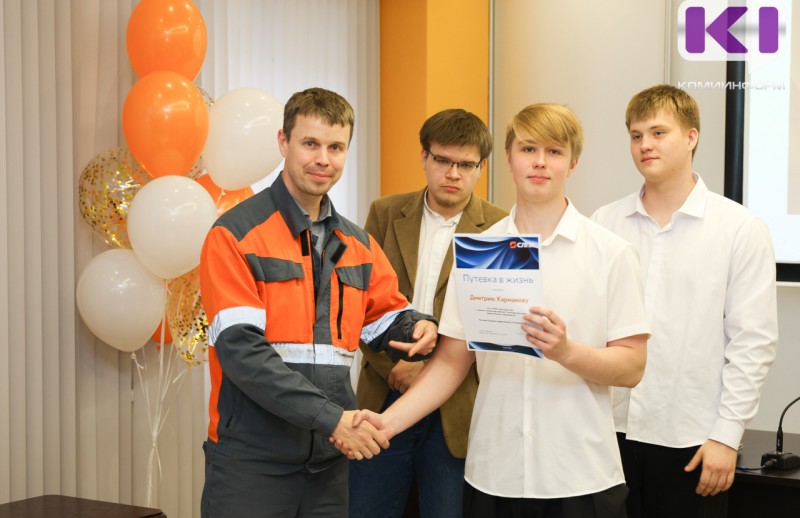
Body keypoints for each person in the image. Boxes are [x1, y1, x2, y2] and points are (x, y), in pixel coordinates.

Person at [344, 103, 651, 518]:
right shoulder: (482, 251)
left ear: (573, 162)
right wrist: (386, 423)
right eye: (528, 149)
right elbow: (451, 362)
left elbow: (632, 367)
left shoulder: (610, 253)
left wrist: (565, 351)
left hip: (580, 473)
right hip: (494, 472)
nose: (540, 162)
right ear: (508, 158)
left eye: (554, 151)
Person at [198, 87, 439, 518]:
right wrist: (333, 419)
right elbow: (242, 353)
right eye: (310, 143)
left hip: (328, 467)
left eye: (335, 147)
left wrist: (418, 326)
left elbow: (386, 315)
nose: (323, 159)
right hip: (252, 464)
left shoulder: (357, 244)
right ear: (283, 142)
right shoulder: (234, 235)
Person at [591, 84, 779, 518]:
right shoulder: (605, 222)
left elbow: (752, 343)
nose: (645, 145)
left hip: (692, 439)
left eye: (659, 133)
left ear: (691, 137)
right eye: (636, 135)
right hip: (609, 433)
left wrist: (727, 435)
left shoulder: (739, 228)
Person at [349, 109, 507, 518]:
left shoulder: (502, 229)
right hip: (384, 394)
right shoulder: (385, 213)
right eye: (443, 160)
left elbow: (498, 328)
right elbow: (360, 304)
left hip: (457, 408)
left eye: (465, 165)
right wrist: (396, 368)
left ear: (481, 167)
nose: (453, 174)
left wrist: (433, 373)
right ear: (424, 156)